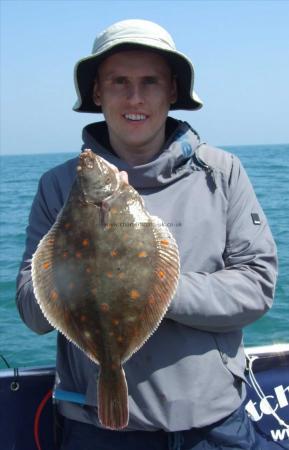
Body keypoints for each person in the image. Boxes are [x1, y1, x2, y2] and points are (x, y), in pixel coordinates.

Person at [16, 19, 277, 450]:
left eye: (149, 82)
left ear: (172, 90)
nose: (134, 98)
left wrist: (149, 284)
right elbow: (30, 311)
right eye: (119, 81)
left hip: (212, 423)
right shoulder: (58, 186)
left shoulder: (224, 172)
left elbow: (257, 286)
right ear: (97, 92)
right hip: (94, 425)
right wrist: (76, 279)